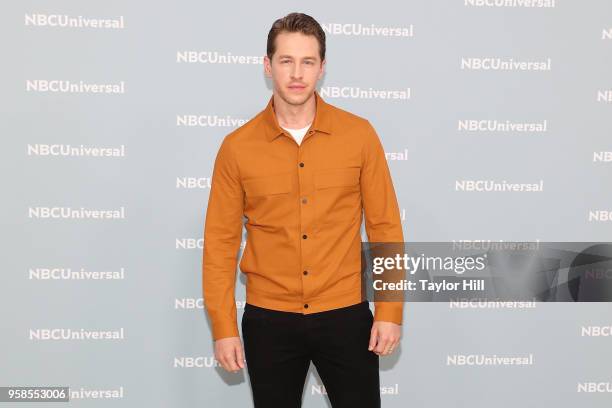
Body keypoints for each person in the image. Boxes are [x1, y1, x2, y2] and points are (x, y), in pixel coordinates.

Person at [202, 12, 405, 407]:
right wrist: (224, 327)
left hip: (346, 315)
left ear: (322, 68)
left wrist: (390, 310)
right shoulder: (237, 147)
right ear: (268, 65)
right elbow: (220, 243)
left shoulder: (359, 135)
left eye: (308, 61)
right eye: (286, 61)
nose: (297, 73)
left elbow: (385, 228)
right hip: (269, 320)